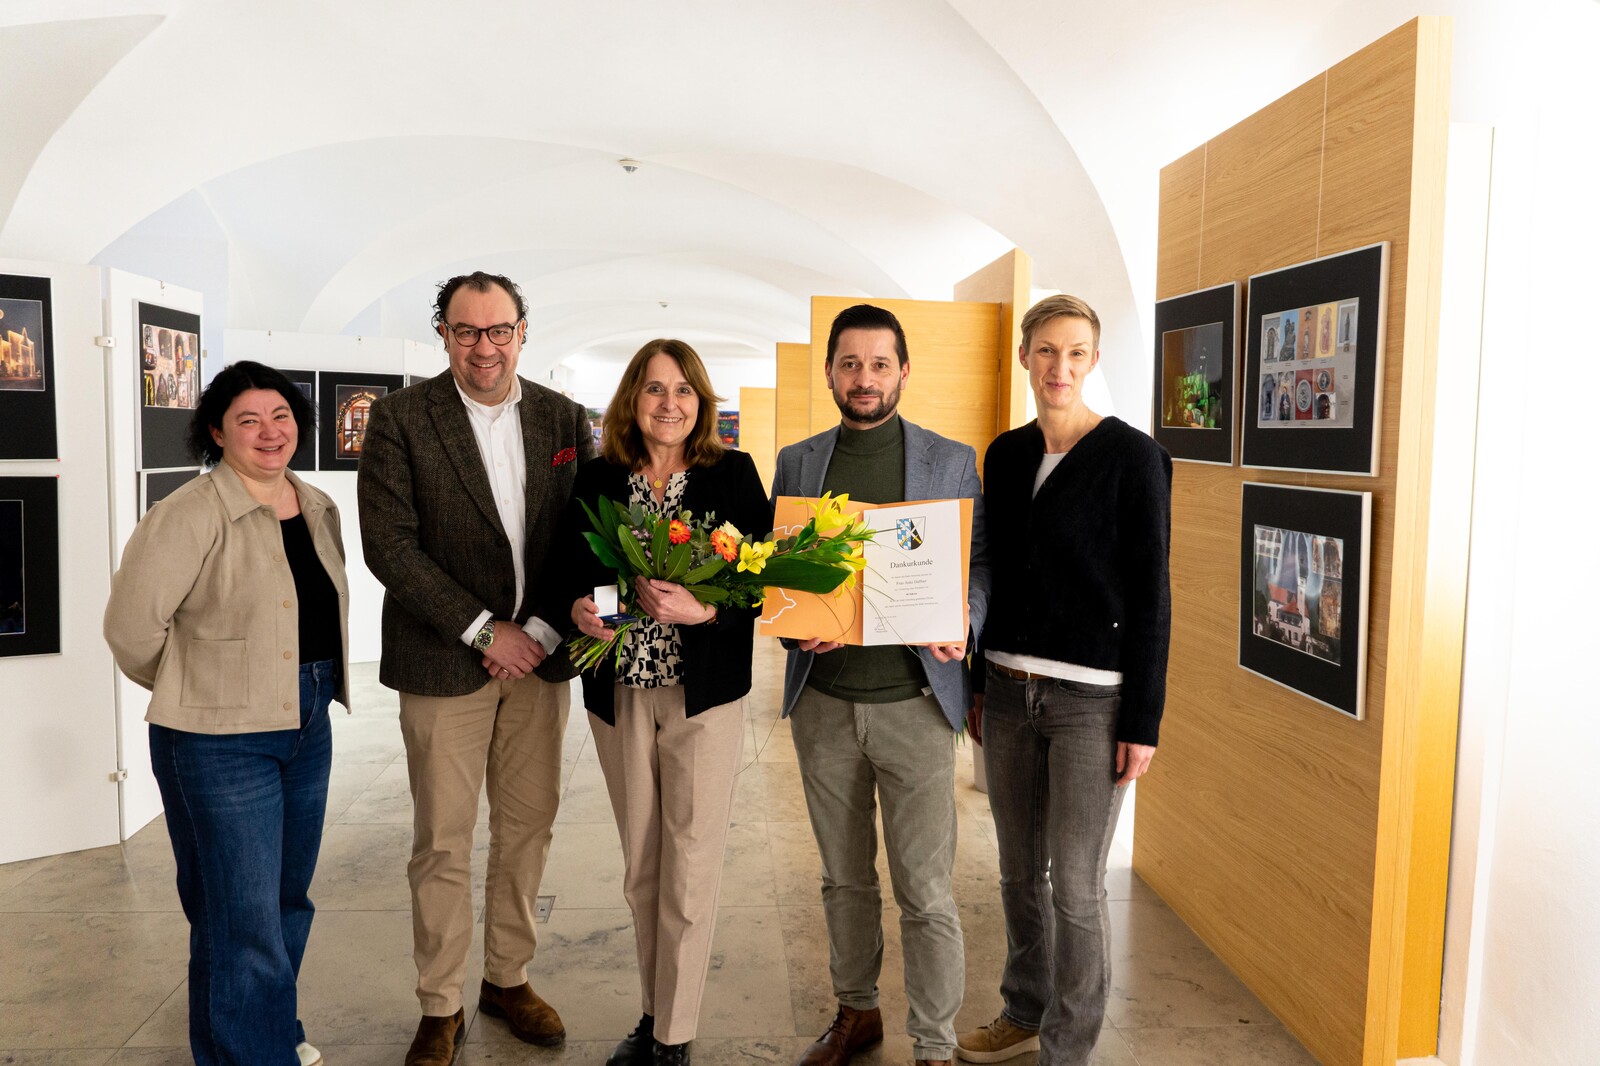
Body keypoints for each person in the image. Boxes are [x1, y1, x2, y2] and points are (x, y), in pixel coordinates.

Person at [357, 271, 597, 1066]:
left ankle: (507, 977)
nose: (484, 347)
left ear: (523, 333)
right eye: (466, 331)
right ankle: (440, 1003)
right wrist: (484, 630)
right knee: (442, 840)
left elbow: (585, 534)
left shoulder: (564, 419)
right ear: (444, 335)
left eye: (499, 330)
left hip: (539, 659)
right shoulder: (399, 419)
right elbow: (390, 545)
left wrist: (536, 630)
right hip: (442, 660)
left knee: (527, 827)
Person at [104, 361, 349, 1066]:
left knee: (286, 899)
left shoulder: (316, 504)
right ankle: (250, 1054)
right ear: (217, 432)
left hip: (307, 720)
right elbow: (130, 631)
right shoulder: (188, 514)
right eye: (248, 420)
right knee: (238, 913)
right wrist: (201, 686)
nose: (269, 432)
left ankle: (266, 1033)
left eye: (281, 416)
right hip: (217, 740)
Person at [771, 303, 990, 1066]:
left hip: (917, 707)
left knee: (925, 890)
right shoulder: (798, 462)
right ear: (830, 373)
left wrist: (965, 617)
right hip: (825, 704)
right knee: (843, 879)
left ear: (903, 371)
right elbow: (780, 569)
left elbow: (980, 565)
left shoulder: (950, 460)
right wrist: (795, 624)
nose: (864, 378)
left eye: (879, 364)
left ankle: (935, 1044)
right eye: (850, 364)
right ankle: (856, 1012)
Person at [958, 295, 1171, 1066]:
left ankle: (1067, 1050)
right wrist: (978, 681)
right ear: (1025, 356)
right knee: (1017, 872)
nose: (1060, 367)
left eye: (1076, 352)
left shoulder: (1134, 458)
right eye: (1047, 350)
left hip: (1093, 702)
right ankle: (1024, 1010)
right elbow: (994, 572)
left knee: (1076, 886)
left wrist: (1142, 720)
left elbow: (1152, 594)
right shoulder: (1006, 454)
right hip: (1008, 691)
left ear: (1094, 361)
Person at [564, 339, 771, 1066]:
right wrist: (581, 610)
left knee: (690, 864)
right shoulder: (599, 477)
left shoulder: (732, 474)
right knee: (642, 866)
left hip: (701, 699)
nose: (669, 403)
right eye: (654, 389)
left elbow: (763, 584)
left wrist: (706, 612)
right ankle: (655, 1013)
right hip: (620, 693)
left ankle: (673, 1039)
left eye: (683, 390)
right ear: (633, 399)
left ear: (701, 402)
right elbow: (574, 570)